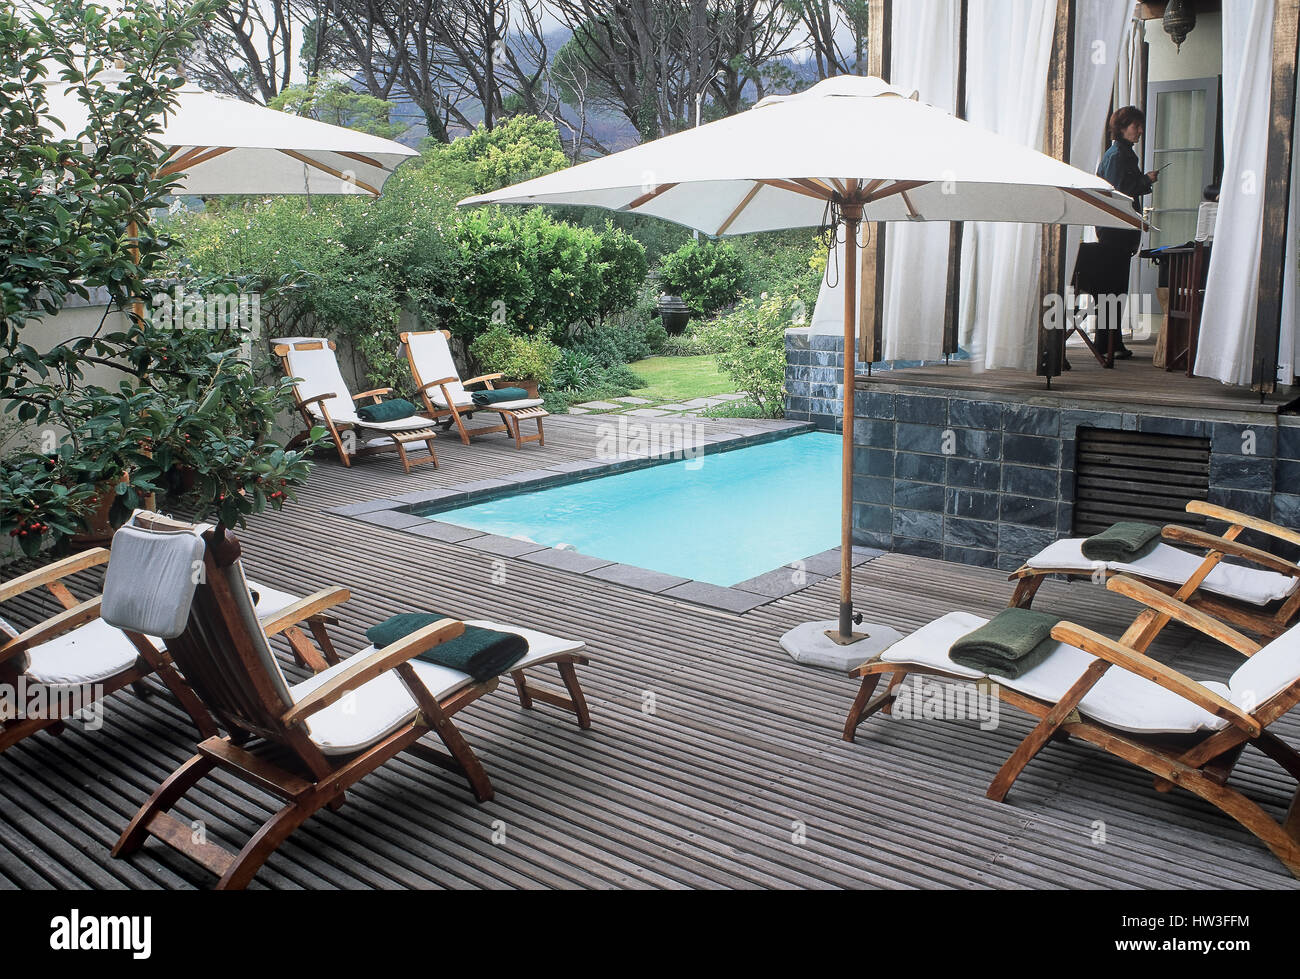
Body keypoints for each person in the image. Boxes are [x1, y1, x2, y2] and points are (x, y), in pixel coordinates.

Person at [1094, 105, 1158, 360]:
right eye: (1135, 126)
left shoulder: (1120, 154)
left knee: (1114, 290)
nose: (1140, 130)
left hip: (1116, 231)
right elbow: (1119, 192)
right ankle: (1108, 344)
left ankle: (1110, 342)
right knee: (1112, 289)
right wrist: (1146, 181)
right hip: (1115, 232)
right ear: (1122, 128)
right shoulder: (1119, 155)